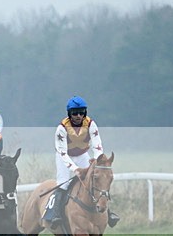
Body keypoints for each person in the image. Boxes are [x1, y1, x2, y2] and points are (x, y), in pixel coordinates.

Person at [44, 95, 119, 227]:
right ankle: (55, 214)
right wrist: (75, 169)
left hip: (82, 154)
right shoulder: (62, 128)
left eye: (82, 112)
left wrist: (98, 161)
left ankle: (108, 213)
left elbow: (97, 146)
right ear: (69, 113)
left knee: (95, 179)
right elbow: (62, 153)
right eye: (75, 113)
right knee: (63, 184)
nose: (78, 115)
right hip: (65, 157)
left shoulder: (91, 124)